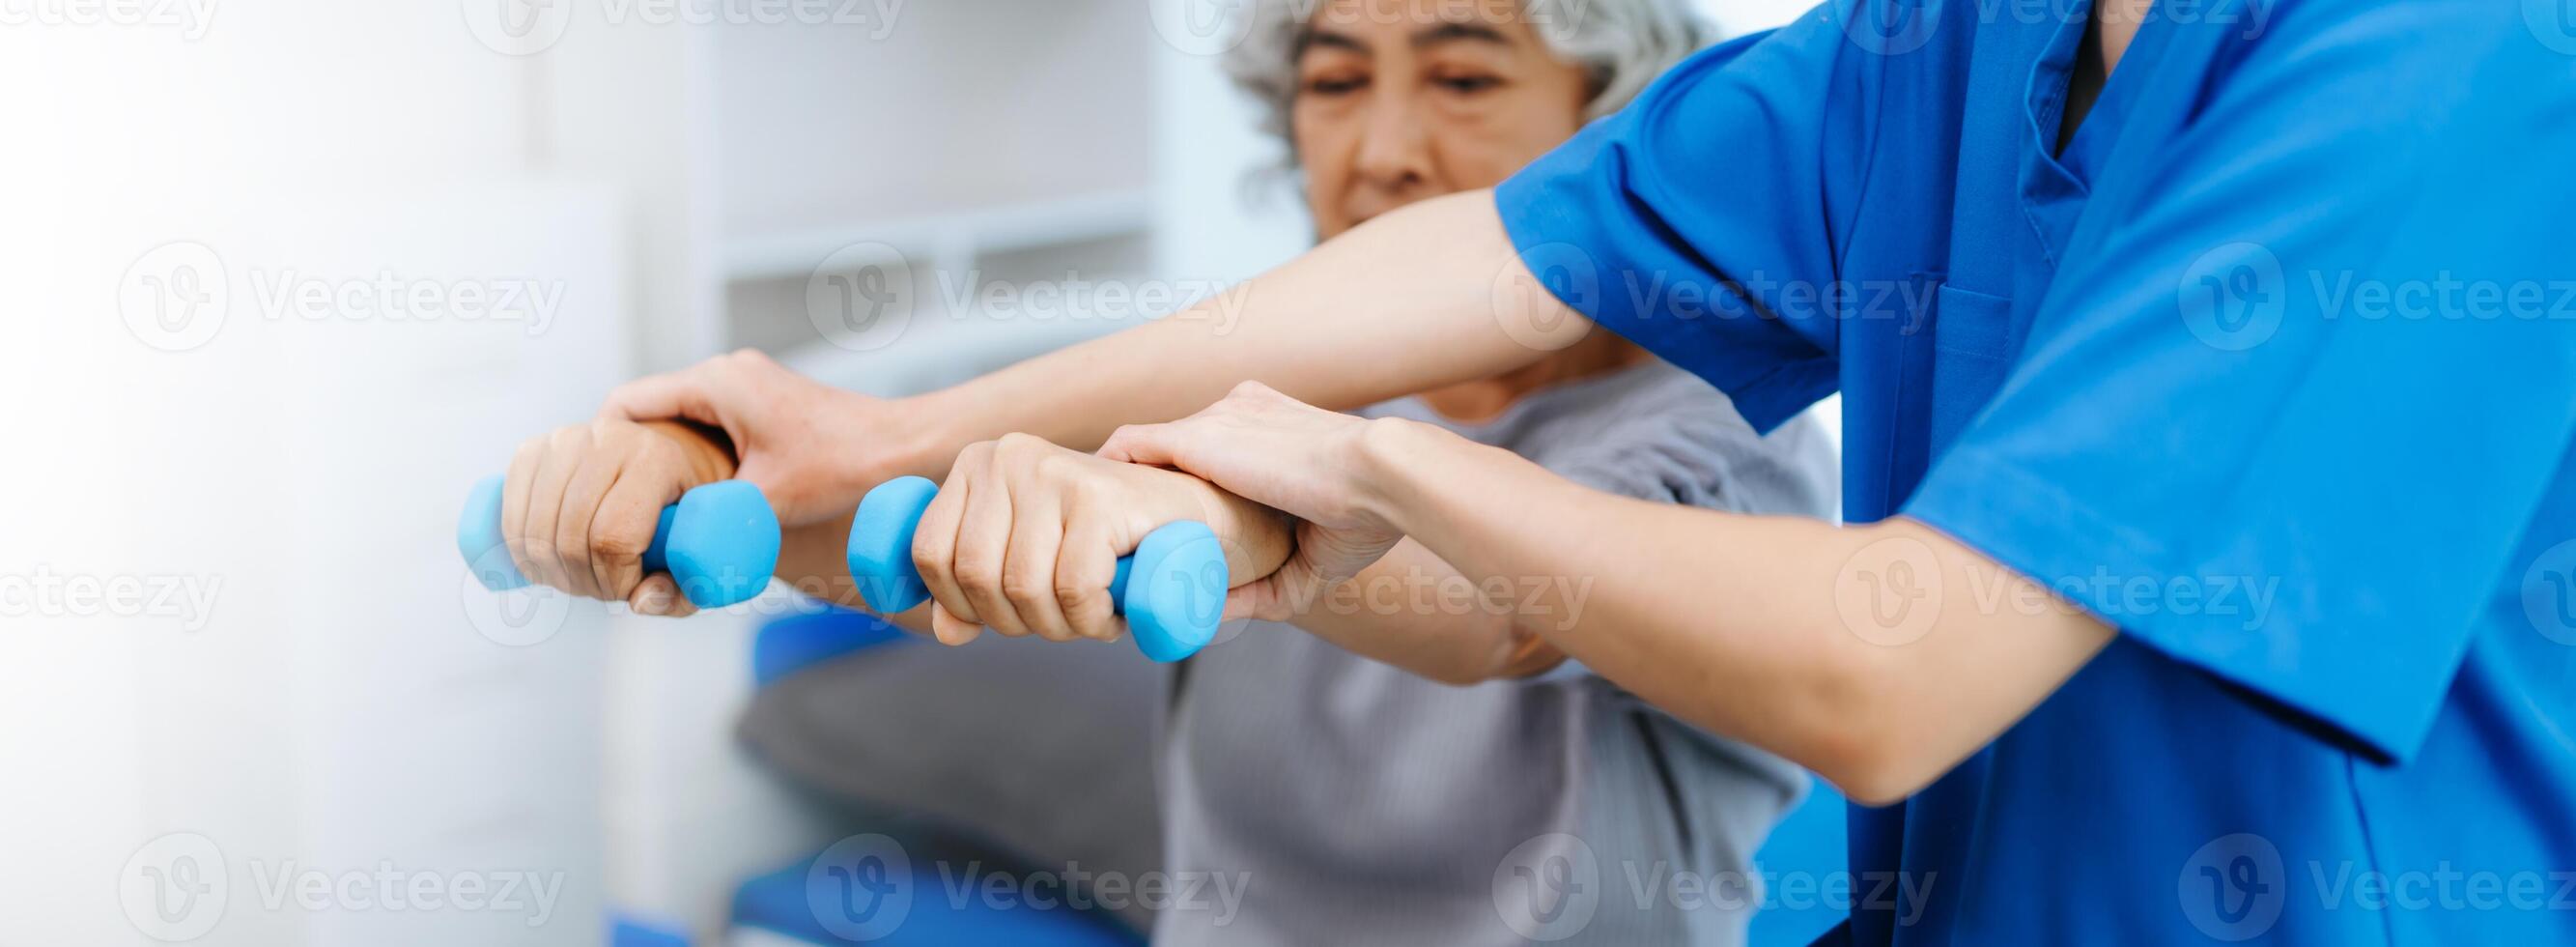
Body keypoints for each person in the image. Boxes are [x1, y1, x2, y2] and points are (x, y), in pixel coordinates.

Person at [514, 0, 2576, 941]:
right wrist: (889, 441)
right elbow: (1490, 262)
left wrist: (1328, 482)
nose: (1384, 132)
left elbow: (1883, 665)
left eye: (1461, 68)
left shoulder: (2451, 57)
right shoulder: (1938, 49)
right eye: (1335, 77)